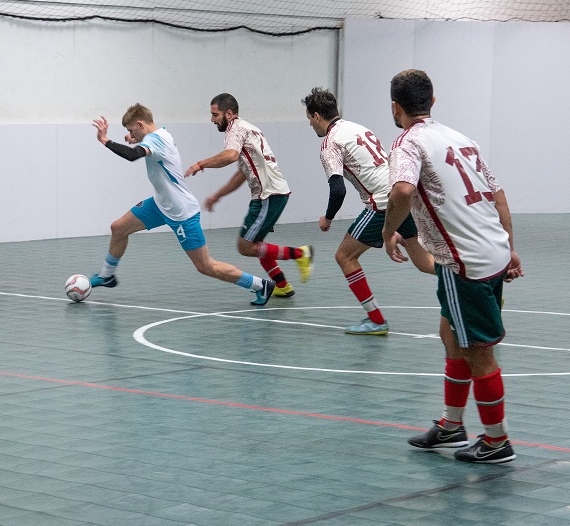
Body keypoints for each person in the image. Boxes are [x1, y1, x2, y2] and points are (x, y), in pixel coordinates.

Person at [383, 69, 523, 464]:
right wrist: (508, 248)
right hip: (489, 252)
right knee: (450, 332)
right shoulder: (461, 139)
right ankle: (452, 425)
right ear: (433, 100)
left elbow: (403, 190)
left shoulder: (408, 143)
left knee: (477, 350)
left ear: (396, 106)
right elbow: (497, 195)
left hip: (465, 264)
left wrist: (388, 230)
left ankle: (497, 441)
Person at [87, 103, 274, 304]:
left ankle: (259, 284)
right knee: (118, 228)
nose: (131, 134)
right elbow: (143, 145)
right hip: (160, 204)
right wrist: (136, 138)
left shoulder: (156, 140)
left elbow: (133, 155)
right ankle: (107, 275)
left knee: (205, 266)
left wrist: (105, 140)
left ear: (140, 124)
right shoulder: (160, 134)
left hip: (181, 212)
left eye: (132, 130)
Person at [301, 87, 434, 335]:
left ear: (317, 116)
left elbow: (338, 190)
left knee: (344, 256)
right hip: (401, 193)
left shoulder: (330, 144)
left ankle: (376, 319)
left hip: (382, 202)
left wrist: (327, 219)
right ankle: (480, 282)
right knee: (424, 261)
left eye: (310, 119)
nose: (311, 125)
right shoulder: (356, 127)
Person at [184, 93, 313, 304]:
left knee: (245, 246)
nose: (212, 119)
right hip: (273, 193)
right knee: (257, 243)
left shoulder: (235, 128)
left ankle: (300, 254)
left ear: (229, 113)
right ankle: (282, 285)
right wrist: (218, 195)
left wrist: (201, 164)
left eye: (215, 114)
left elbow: (230, 155)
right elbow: (242, 173)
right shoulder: (249, 129)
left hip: (268, 195)